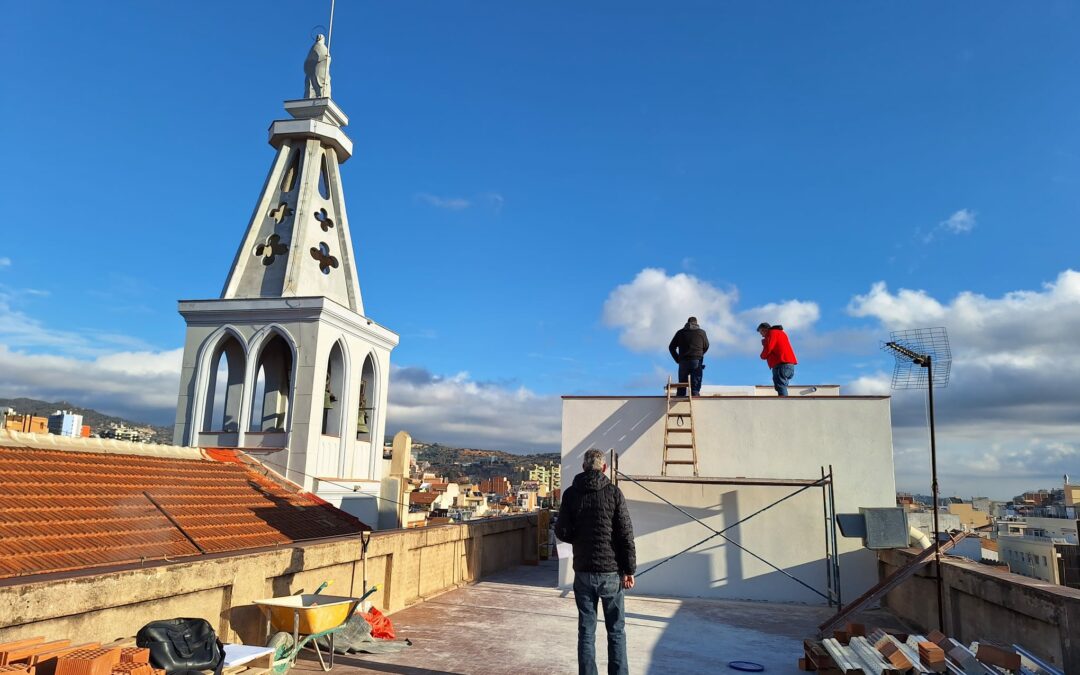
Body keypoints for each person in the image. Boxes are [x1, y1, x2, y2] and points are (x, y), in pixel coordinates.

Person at [555, 448, 636, 675]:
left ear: (583, 467)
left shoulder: (571, 494)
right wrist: (629, 570)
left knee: (586, 632)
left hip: (583, 571)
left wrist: (577, 538)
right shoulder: (614, 493)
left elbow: (561, 530)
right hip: (611, 573)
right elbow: (625, 535)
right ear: (604, 468)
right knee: (616, 631)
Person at [668, 317, 709, 396]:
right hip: (696, 361)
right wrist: (700, 354)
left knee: (682, 386)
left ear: (687, 323)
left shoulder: (680, 333)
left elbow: (671, 347)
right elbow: (706, 346)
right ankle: (695, 403)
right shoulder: (701, 333)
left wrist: (678, 359)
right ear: (696, 323)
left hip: (683, 362)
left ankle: (679, 404)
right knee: (695, 387)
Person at [758, 322, 798, 396]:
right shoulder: (780, 333)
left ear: (764, 330)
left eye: (761, 332)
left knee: (780, 386)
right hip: (789, 364)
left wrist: (764, 348)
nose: (762, 335)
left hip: (781, 364)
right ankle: (785, 402)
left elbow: (768, 349)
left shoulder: (772, 333)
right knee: (782, 385)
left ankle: (784, 404)